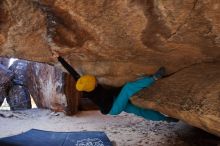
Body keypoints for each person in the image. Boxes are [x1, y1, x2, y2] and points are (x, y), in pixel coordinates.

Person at [52, 51, 178, 122]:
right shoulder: (92, 92)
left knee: (139, 110)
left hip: (114, 101)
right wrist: (122, 89)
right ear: (91, 86)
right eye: (94, 81)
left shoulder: (83, 83)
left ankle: (165, 119)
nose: (95, 80)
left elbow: (73, 72)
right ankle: (154, 78)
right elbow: (117, 92)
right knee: (128, 88)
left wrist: (59, 58)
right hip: (113, 108)